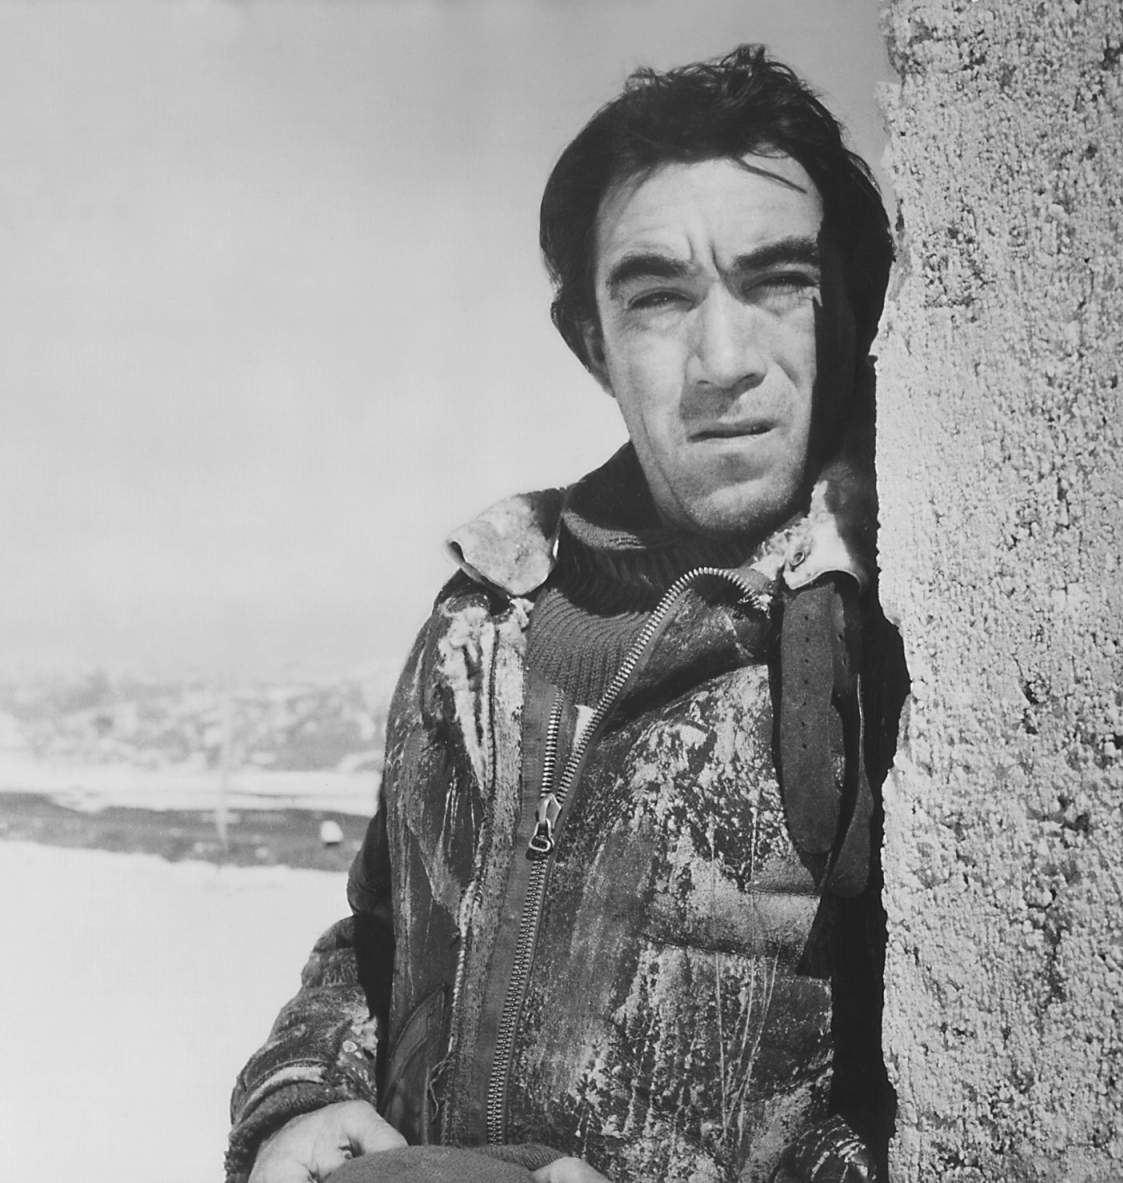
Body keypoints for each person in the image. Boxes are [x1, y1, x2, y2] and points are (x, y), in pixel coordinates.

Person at [226, 45, 906, 1183]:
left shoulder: (878, 645)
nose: (723, 360)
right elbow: (379, 939)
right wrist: (301, 1096)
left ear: (852, 308)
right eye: (659, 298)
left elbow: (926, 1112)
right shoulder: (478, 617)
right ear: (592, 340)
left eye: (777, 281)